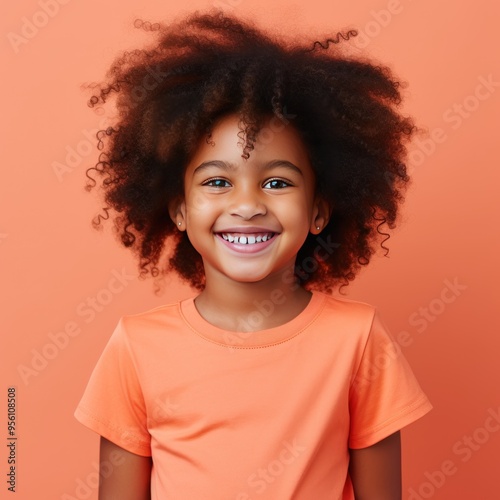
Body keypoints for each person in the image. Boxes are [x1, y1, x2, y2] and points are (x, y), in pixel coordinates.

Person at [74, 9, 432, 499]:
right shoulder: (136, 347)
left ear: (319, 212)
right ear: (178, 209)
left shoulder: (358, 339)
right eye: (218, 182)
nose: (246, 205)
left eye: (277, 182)